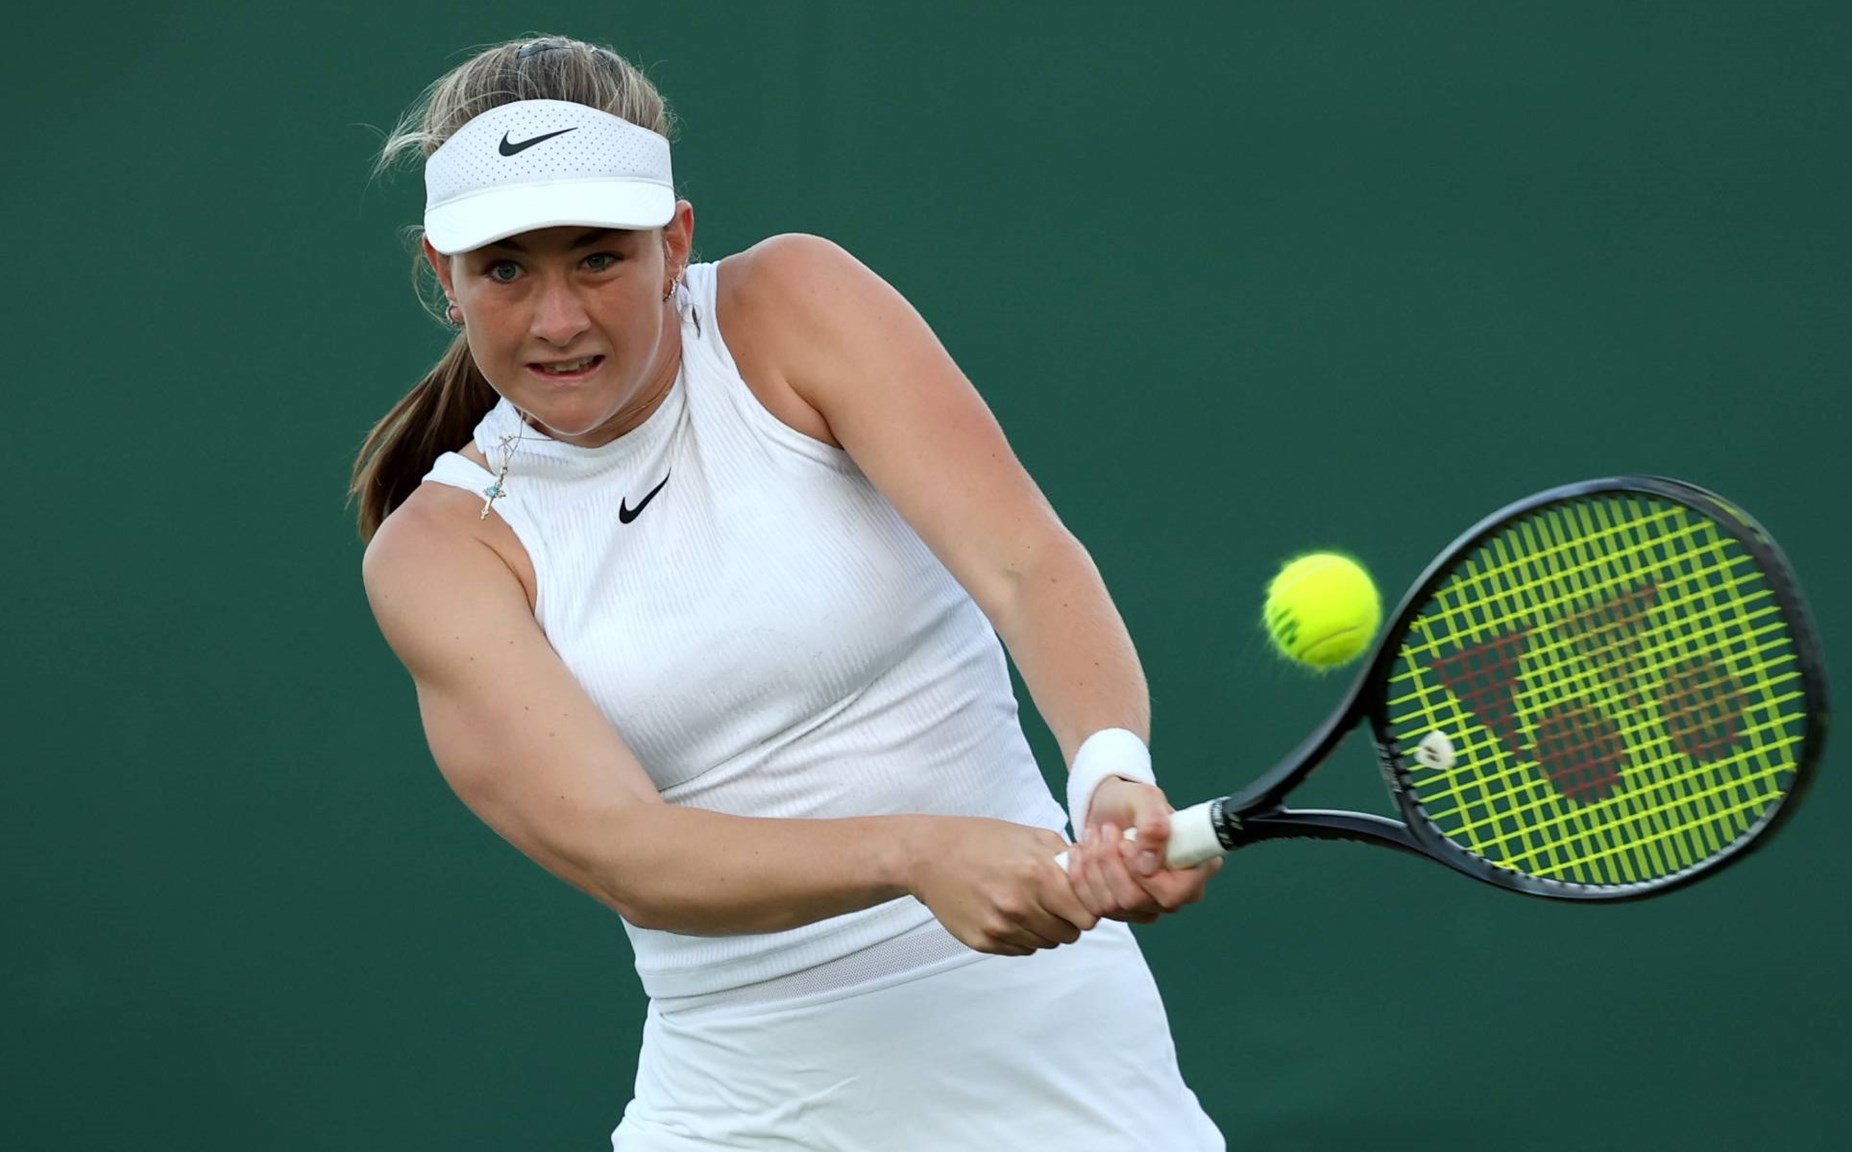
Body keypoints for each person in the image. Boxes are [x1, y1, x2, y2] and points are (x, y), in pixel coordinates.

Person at [350, 35, 1225, 1150]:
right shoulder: (441, 552)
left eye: (599, 259)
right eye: (506, 270)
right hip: (740, 1115)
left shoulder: (792, 306)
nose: (557, 319)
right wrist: (913, 854)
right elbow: (628, 850)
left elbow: (1023, 561)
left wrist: (1108, 767)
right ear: (445, 276)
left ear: (674, 240)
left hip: (1062, 1061)